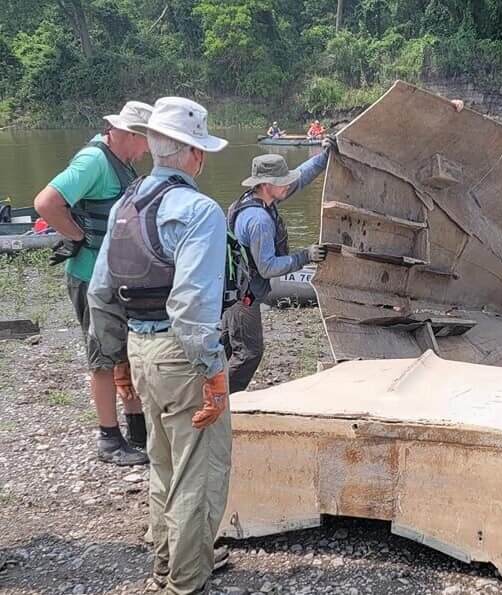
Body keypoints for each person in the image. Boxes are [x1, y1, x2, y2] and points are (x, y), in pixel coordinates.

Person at [87, 96, 232, 594]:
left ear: (152, 147)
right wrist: (214, 373)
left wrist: (116, 362)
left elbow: (100, 290)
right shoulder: (199, 210)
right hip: (181, 354)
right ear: (195, 155)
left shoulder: (127, 202)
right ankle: (186, 582)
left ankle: (167, 565)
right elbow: (192, 309)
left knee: (163, 461)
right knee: (198, 470)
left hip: (139, 347)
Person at [32, 101, 153, 466]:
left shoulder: (121, 162)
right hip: (90, 278)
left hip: (114, 277)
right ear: (129, 134)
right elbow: (46, 202)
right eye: (146, 141)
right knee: (102, 358)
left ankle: (137, 429)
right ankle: (109, 439)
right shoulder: (94, 161)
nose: (148, 150)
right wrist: (79, 236)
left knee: (124, 353)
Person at [222, 144, 333, 392]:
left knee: (226, 346)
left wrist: (326, 155)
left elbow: (301, 177)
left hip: (231, 288)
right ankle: (225, 402)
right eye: (281, 181)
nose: (287, 185)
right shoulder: (259, 221)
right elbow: (268, 267)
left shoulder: (258, 199)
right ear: (264, 184)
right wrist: (306, 256)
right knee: (249, 353)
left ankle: (207, 396)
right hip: (244, 297)